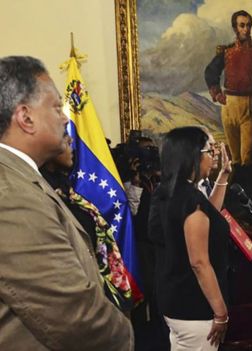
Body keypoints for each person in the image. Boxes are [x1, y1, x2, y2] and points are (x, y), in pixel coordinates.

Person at [0, 56, 133, 349]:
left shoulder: (22, 180)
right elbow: (76, 319)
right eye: (56, 106)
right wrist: (125, 335)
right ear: (26, 117)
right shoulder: (10, 193)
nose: (65, 118)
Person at [151, 126, 231, 350]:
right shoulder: (190, 201)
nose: (211, 156)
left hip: (173, 300)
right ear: (193, 156)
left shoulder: (168, 192)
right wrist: (221, 312)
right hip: (194, 307)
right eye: (208, 151)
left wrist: (223, 175)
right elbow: (199, 263)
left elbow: (209, 216)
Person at [40, 134, 135, 312]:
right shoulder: (43, 192)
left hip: (97, 289)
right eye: (62, 135)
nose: (70, 141)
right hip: (77, 297)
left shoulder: (66, 189)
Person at [204, 10, 252, 168]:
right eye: (242, 25)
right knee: (235, 160)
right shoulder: (226, 51)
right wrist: (217, 93)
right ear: (235, 28)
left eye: (248, 25)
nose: (246, 29)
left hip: (249, 106)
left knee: (247, 158)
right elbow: (210, 71)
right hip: (228, 107)